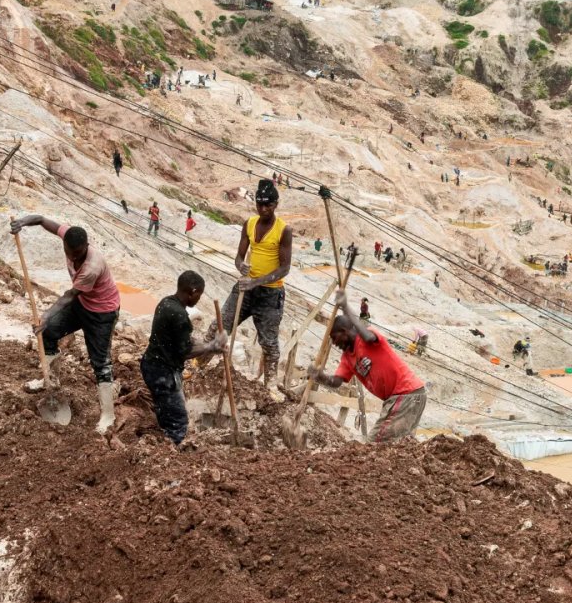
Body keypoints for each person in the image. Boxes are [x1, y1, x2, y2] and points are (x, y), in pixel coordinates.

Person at [10, 215, 121, 432]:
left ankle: (108, 415)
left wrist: (46, 315)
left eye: (78, 254)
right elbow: (41, 219)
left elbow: (69, 295)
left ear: (86, 246)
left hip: (102, 313)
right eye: (70, 253)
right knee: (49, 332)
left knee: (100, 363)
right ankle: (51, 380)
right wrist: (22, 222)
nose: (73, 257)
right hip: (83, 302)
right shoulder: (69, 236)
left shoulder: (92, 267)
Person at [310, 290, 427, 442]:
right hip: (405, 397)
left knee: (374, 445)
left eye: (334, 337)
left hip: (405, 393)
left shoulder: (367, 337)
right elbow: (336, 382)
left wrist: (345, 306)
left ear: (344, 332)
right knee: (400, 445)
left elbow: (368, 337)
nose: (334, 343)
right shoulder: (347, 358)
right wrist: (320, 377)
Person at [215, 178, 292, 384]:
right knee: (219, 327)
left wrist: (256, 282)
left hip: (270, 294)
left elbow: (284, 268)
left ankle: (270, 386)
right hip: (245, 289)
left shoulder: (283, 230)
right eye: (260, 204)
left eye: (268, 205)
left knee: (269, 344)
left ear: (276, 204)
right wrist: (240, 265)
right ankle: (198, 366)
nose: (263, 209)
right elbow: (239, 257)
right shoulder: (249, 224)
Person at [140, 271, 223, 446]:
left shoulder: (166, 303)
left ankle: (164, 431)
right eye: (199, 295)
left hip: (150, 365)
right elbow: (185, 352)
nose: (199, 299)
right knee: (179, 421)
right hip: (164, 374)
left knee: (164, 407)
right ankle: (171, 449)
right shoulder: (179, 316)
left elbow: (181, 338)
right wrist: (212, 346)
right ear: (193, 292)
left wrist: (206, 344)